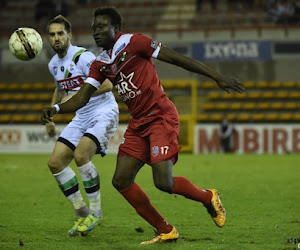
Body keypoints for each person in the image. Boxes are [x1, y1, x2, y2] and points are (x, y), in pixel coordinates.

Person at [41, 6, 245, 244]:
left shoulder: (134, 42)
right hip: (138, 123)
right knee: (121, 180)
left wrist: (217, 76)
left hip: (160, 116)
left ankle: (208, 196)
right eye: (94, 27)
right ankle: (165, 229)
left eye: (101, 26)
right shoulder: (101, 63)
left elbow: (177, 58)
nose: (96, 31)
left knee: (163, 182)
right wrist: (55, 109)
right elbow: (81, 97)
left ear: (116, 28)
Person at [45, 15, 119, 236]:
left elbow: (107, 84)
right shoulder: (53, 64)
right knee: (55, 162)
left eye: (60, 33)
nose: (56, 38)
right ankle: (81, 212)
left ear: (69, 35)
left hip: (103, 111)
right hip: (81, 115)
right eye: (52, 34)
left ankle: (96, 212)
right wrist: (52, 114)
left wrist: (79, 94)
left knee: (81, 156)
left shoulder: (83, 57)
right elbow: (60, 88)